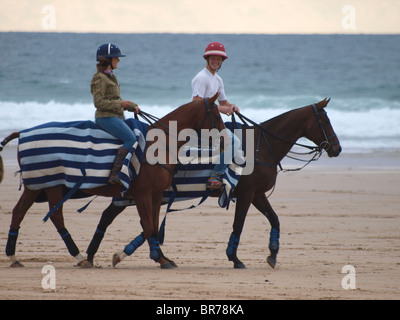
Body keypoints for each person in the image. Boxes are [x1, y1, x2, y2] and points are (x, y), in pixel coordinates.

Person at [191, 42, 241, 190]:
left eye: (219, 59)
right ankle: (215, 176)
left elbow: (223, 100)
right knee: (234, 142)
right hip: (201, 123)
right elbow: (196, 103)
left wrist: (232, 106)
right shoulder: (201, 78)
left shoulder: (218, 79)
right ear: (207, 59)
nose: (216, 61)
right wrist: (220, 109)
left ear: (222, 61)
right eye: (213, 58)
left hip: (212, 122)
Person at [91, 43, 140, 185]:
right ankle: (116, 174)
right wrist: (121, 104)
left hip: (115, 116)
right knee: (131, 139)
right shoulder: (99, 78)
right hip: (105, 118)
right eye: (116, 58)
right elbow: (99, 103)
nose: (118, 60)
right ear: (108, 59)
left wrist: (131, 106)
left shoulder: (111, 76)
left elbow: (115, 99)